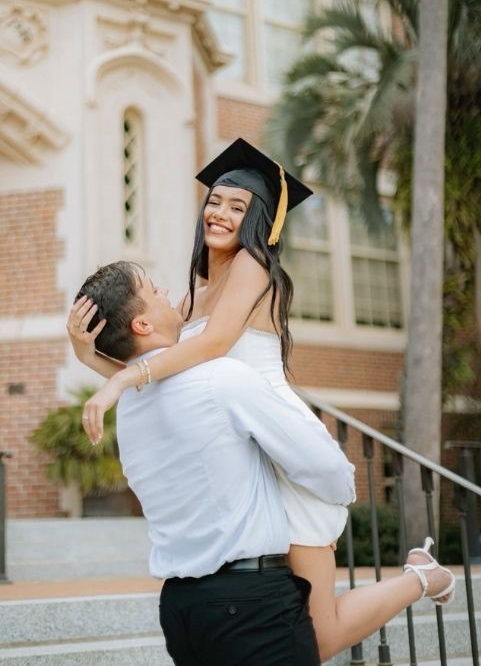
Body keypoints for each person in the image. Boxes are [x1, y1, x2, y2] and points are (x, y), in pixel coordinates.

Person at [68, 138, 456, 662]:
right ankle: (421, 576)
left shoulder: (253, 266)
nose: (220, 213)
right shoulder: (192, 293)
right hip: (244, 451)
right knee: (312, 634)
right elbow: (172, 372)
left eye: (238, 206)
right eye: (215, 201)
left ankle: (421, 578)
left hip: (282, 448)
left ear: (259, 222)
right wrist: (91, 359)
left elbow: (212, 345)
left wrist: (118, 382)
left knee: (322, 634)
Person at [74, 259, 359, 665]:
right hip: (250, 603)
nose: (167, 292)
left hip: (181, 609)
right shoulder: (222, 380)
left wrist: (94, 360)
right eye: (154, 291)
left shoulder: (130, 406)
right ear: (141, 326)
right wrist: (331, 508)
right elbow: (327, 468)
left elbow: (151, 380)